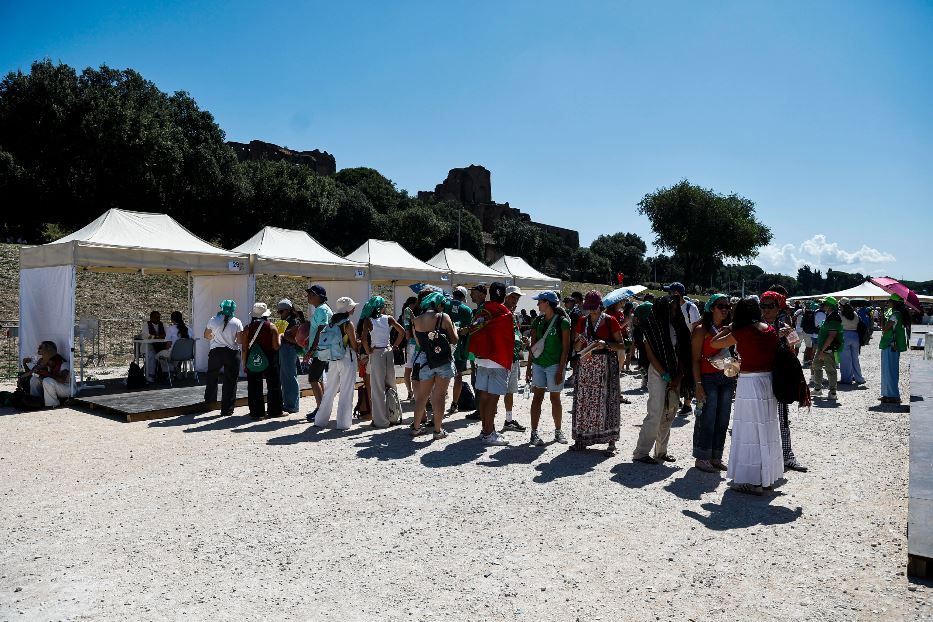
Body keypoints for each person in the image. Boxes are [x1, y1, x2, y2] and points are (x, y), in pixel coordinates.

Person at [710, 299, 785, 495]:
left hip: (750, 382)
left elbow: (714, 342)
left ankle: (752, 481)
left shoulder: (741, 332)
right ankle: (766, 478)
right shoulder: (770, 330)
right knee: (766, 430)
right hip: (768, 381)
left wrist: (730, 327)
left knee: (749, 431)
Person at [633, 295, 692, 464]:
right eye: (670, 309)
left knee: (670, 412)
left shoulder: (679, 325)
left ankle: (661, 451)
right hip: (658, 372)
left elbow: (684, 351)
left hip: (676, 372)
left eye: (675, 309)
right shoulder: (651, 326)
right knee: (655, 412)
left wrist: (678, 376)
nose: (673, 312)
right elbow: (650, 354)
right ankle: (641, 452)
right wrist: (665, 374)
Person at [571, 291, 625, 455]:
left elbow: (621, 345)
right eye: (589, 307)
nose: (592, 311)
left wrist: (606, 344)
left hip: (606, 366)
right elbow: (576, 348)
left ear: (600, 306)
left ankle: (611, 442)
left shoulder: (610, 321)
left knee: (609, 401)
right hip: (586, 366)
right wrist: (579, 341)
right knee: (584, 402)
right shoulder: (583, 321)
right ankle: (581, 439)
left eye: (594, 307)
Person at [759, 290, 807, 473]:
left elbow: (794, 348)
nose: (766, 309)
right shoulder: (756, 327)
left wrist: (788, 338)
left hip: (779, 377)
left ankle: (787, 455)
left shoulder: (785, 326)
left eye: (770, 306)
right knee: (762, 419)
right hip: (761, 377)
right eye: (763, 306)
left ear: (778, 308)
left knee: (782, 417)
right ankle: (765, 457)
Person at [690, 294, 735, 473]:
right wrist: (698, 384)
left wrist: (733, 378)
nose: (725, 309)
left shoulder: (727, 329)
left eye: (727, 306)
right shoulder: (701, 330)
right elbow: (694, 359)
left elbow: (730, 355)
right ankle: (702, 457)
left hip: (727, 377)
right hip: (708, 378)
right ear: (711, 308)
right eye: (720, 306)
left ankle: (716, 456)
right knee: (707, 418)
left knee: (723, 419)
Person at [466, 281, 514, 446]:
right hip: (498, 359)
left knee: (484, 397)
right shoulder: (505, 312)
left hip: (482, 358)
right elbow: (507, 338)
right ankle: (488, 433)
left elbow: (474, 329)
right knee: (493, 399)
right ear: (504, 295)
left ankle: (485, 430)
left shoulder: (482, 310)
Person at [410, 291, 459, 440]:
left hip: (426, 360)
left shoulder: (416, 320)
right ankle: (437, 431)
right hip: (442, 360)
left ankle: (416, 428)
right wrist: (455, 329)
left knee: (422, 397)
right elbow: (454, 340)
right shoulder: (443, 317)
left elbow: (419, 344)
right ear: (437, 304)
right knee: (439, 396)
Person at [527, 291, 571, 446]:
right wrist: (529, 367)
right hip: (539, 364)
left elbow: (566, 349)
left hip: (554, 365)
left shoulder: (563, 322)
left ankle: (558, 431)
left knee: (555, 398)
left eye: (540, 301)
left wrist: (560, 370)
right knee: (537, 398)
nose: (537, 304)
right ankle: (534, 433)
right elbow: (533, 346)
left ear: (547, 303)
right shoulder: (537, 321)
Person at [360, 295, 406, 428]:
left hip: (377, 353)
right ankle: (394, 416)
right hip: (388, 351)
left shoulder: (368, 321)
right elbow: (402, 331)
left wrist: (368, 350)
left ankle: (380, 421)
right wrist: (395, 345)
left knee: (377, 388)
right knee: (391, 384)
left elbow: (363, 339)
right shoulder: (389, 318)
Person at [313, 297, 359, 430]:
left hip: (333, 358)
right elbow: (354, 346)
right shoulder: (348, 324)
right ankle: (343, 423)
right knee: (346, 391)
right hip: (347, 358)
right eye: (352, 306)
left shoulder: (332, 322)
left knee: (330, 391)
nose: (354, 308)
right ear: (348, 309)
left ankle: (320, 420)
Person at [241, 302, 283, 419]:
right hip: (270, 359)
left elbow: (244, 348)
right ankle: (275, 411)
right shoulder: (272, 327)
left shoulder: (247, 328)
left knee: (254, 386)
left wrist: (244, 363)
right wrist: (280, 336)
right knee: (273, 385)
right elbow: (276, 347)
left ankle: (257, 413)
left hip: (253, 359)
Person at [203, 299, 243, 416]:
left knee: (212, 375)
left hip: (215, 351)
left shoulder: (213, 319)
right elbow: (239, 340)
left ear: (222, 307)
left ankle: (210, 401)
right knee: (230, 381)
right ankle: (227, 409)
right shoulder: (237, 322)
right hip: (231, 353)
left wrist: (214, 337)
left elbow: (206, 335)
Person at [501, 285, 528, 433]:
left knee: (510, 390)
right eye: (512, 297)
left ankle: (509, 420)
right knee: (494, 392)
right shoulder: (501, 312)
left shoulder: (514, 314)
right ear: (505, 296)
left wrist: (521, 341)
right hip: (501, 358)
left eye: (517, 298)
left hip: (513, 357)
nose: (515, 300)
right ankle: (488, 426)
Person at [304, 285, 332, 419]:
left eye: (311, 294)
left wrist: (312, 349)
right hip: (321, 350)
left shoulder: (321, 310)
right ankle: (321, 409)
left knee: (313, 379)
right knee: (318, 379)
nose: (308, 296)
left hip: (319, 351)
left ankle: (321, 411)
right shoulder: (322, 309)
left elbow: (321, 330)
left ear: (319, 296)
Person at [446, 286, 474, 414]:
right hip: (459, 347)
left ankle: (438, 400)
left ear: (454, 294)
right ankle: (454, 404)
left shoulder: (444, 305)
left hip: (443, 346)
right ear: (463, 297)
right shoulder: (467, 310)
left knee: (441, 375)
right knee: (458, 375)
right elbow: (469, 330)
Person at [879, 294, 911, 404]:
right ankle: (887, 394)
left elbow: (884, 329)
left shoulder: (895, 315)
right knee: (889, 370)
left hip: (890, 345)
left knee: (889, 370)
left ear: (894, 303)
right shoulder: (898, 314)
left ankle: (893, 395)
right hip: (892, 345)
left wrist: (882, 314)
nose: (888, 303)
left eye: (889, 301)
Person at [275, 299, 305, 414]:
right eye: (279, 311)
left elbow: (297, 341)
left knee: (290, 377)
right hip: (284, 350)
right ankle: (288, 403)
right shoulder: (285, 321)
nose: (280, 314)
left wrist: (282, 335)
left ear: (288, 310)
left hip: (289, 350)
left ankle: (292, 405)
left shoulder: (294, 322)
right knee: (285, 378)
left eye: (281, 311)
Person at [811, 296, 843, 402]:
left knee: (830, 369)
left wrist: (823, 350)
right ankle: (818, 389)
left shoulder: (834, 318)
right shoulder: (830, 315)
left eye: (824, 304)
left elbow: (831, 336)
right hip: (824, 347)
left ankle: (833, 392)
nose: (822, 306)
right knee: (816, 365)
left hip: (828, 348)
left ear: (829, 306)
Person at [464, 284, 488, 419]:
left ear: (482, 294)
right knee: (477, 380)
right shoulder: (479, 309)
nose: (471, 294)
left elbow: (479, 327)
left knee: (478, 381)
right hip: (476, 351)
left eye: (474, 292)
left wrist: (468, 329)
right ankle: (482, 408)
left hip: (479, 352)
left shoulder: (483, 309)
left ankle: (481, 410)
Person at [22, 341, 70, 407]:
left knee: (47, 380)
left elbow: (62, 380)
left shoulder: (62, 363)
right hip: (55, 386)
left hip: (66, 388)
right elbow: (31, 373)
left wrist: (47, 374)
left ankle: (52, 404)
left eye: (40, 347)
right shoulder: (42, 361)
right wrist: (24, 364)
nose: (38, 348)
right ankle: (36, 401)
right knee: (35, 379)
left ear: (49, 350)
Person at [155, 311, 190, 378]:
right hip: (187, 354)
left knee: (158, 356)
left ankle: (170, 372)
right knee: (172, 357)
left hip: (174, 354)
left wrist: (166, 350)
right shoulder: (188, 329)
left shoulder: (171, 329)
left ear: (172, 319)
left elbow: (168, 344)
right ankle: (176, 368)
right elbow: (191, 340)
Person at [838, 298, 866, 386]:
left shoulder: (840, 314)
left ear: (841, 305)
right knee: (855, 359)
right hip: (855, 336)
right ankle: (859, 378)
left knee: (845, 360)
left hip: (844, 335)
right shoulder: (855, 314)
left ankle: (846, 379)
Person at [400, 296, 419, 401]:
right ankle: (412, 392)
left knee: (408, 370)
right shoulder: (408, 312)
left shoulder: (407, 311)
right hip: (413, 344)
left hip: (411, 345)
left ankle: (410, 392)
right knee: (413, 370)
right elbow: (407, 332)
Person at [142, 310, 168, 382]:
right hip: (149, 346)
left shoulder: (163, 324)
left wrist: (162, 336)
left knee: (166, 354)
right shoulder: (146, 324)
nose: (158, 319)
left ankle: (164, 375)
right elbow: (145, 335)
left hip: (160, 345)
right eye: (156, 317)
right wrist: (157, 337)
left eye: (159, 317)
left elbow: (167, 334)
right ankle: (151, 376)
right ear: (151, 318)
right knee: (152, 355)